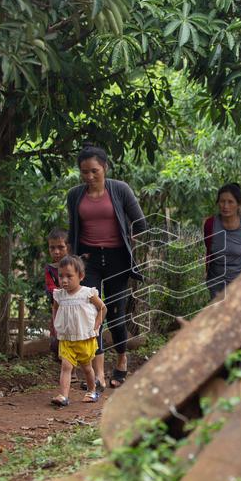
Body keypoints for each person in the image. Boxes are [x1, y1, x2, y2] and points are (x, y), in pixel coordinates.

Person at [66, 144, 147, 390]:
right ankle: (98, 373)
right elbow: (73, 230)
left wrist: (128, 240)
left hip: (117, 259)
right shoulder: (75, 195)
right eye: (84, 172)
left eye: (94, 171)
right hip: (88, 260)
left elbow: (141, 223)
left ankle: (122, 358)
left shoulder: (120, 190)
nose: (89, 176)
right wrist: (73, 260)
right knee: (92, 314)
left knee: (114, 315)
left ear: (105, 168)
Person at [50, 255, 106, 407]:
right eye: (61, 276)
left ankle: (92, 391)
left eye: (69, 276)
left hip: (84, 339)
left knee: (87, 368)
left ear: (81, 276)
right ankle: (63, 395)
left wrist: (97, 323)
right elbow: (55, 308)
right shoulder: (59, 295)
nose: (64, 280)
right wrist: (56, 323)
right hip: (67, 339)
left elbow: (102, 308)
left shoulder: (87, 293)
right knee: (66, 366)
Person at [204, 183, 241, 300]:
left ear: (238, 204)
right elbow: (208, 249)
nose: (225, 206)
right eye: (222, 201)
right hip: (215, 284)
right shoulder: (210, 224)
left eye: (230, 202)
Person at [44, 227, 70, 357]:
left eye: (61, 247)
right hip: (58, 307)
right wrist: (59, 291)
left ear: (68, 247)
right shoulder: (50, 269)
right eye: (52, 248)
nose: (56, 252)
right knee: (57, 339)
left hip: (76, 308)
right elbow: (50, 286)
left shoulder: (76, 265)